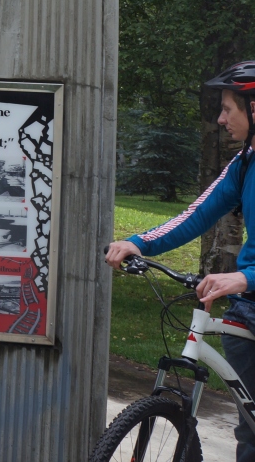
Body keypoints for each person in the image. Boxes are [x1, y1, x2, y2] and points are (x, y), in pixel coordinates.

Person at [106, 61, 255, 462]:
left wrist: (245, 277)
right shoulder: (244, 165)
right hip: (247, 311)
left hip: (247, 289)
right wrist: (138, 243)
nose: (221, 119)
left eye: (228, 109)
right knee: (249, 430)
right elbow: (197, 214)